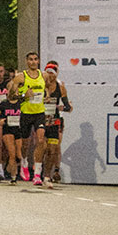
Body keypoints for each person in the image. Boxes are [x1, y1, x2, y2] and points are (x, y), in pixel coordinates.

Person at [9, 52, 48, 186]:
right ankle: (24, 161)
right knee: (26, 144)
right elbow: (11, 97)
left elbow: (46, 90)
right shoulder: (20, 77)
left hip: (40, 113)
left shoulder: (44, 75)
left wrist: (46, 97)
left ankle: (37, 173)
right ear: (27, 61)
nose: (33, 62)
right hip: (26, 113)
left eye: (35, 59)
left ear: (38, 61)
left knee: (41, 139)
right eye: (30, 59)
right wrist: (25, 94)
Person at [40, 61, 72, 189]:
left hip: (54, 121)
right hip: (41, 120)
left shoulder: (61, 87)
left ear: (56, 74)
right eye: (48, 73)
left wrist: (65, 107)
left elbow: (67, 106)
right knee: (42, 147)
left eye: (52, 73)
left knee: (52, 150)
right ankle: (38, 171)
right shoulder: (40, 85)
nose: (50, 76)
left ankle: (47, 176)